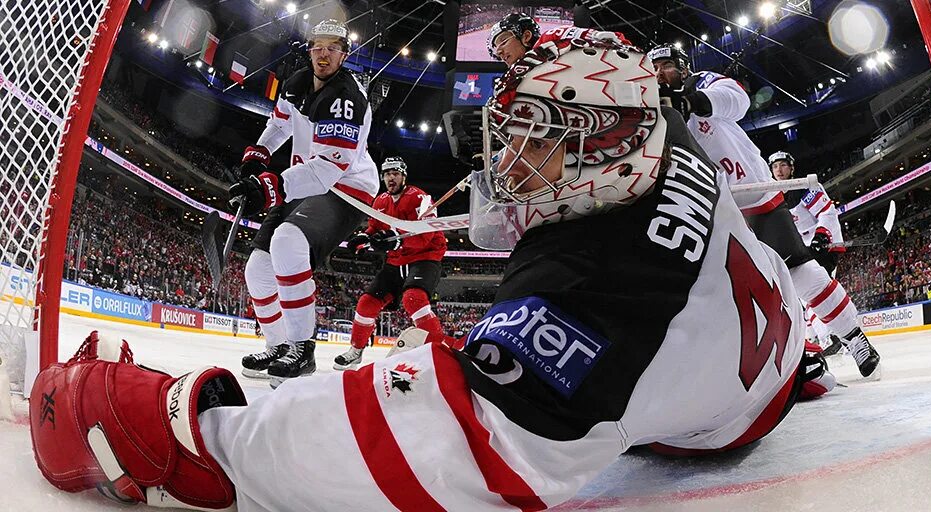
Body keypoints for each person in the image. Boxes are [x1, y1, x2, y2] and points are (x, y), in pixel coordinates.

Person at [31, 34, 816, 511]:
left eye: (534, 141)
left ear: (600, 152)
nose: (506, 161)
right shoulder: (654, 126)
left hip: (719, 421)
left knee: (440, 345)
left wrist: (201, 433)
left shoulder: (599, 290)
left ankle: (288, 357)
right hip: (765, 349)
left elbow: (450, 447)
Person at [648, 43, 880, 378]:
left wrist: (693, 103)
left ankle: (854, 338)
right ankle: (790, 361)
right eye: (653, 68)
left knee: (803, 275)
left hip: (755, 197)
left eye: (666, 65)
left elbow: (738, 100)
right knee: (727, 295)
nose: (658, 73)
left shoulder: (702, 82)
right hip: (710, 211)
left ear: (683, 68)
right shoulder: (649, 110)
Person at [232, 18, 378, 387]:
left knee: (288, 242)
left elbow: (330, 168)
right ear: (309, 49)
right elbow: (280, 123)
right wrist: (259, 154)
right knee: (258, 271)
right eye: (318, 46)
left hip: (346, 187)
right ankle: (279, 345)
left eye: (333, 47)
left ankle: (302, 349)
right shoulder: (296, 82)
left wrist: (272, 187)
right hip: (305, 180)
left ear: (344, 55)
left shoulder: (347, 97)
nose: (324, 53)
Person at [333, 156, 448, 370]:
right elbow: (375, 229)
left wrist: (392, 240)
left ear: (404, 176)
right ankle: (356, 351)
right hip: (396, 261)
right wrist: (365, 238)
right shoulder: (380, 201)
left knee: (414, 298)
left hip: (425, 257)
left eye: (395, 173)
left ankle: (439, 351)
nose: (390, 178)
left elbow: (426, 236)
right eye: (387, 174)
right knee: (366, 303)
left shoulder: (421, 198)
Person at [770, 151, 846, 356]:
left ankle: (831, 337)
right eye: (775, 166)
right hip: (802, 250)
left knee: (814, 293)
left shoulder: (804, 187)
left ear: (791, 168)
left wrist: (821, 236)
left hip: (822, 247)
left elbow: (827, 212)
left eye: (783, 165)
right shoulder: (773, 195)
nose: (779, 170)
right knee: (803, 298)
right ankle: (817, 336)